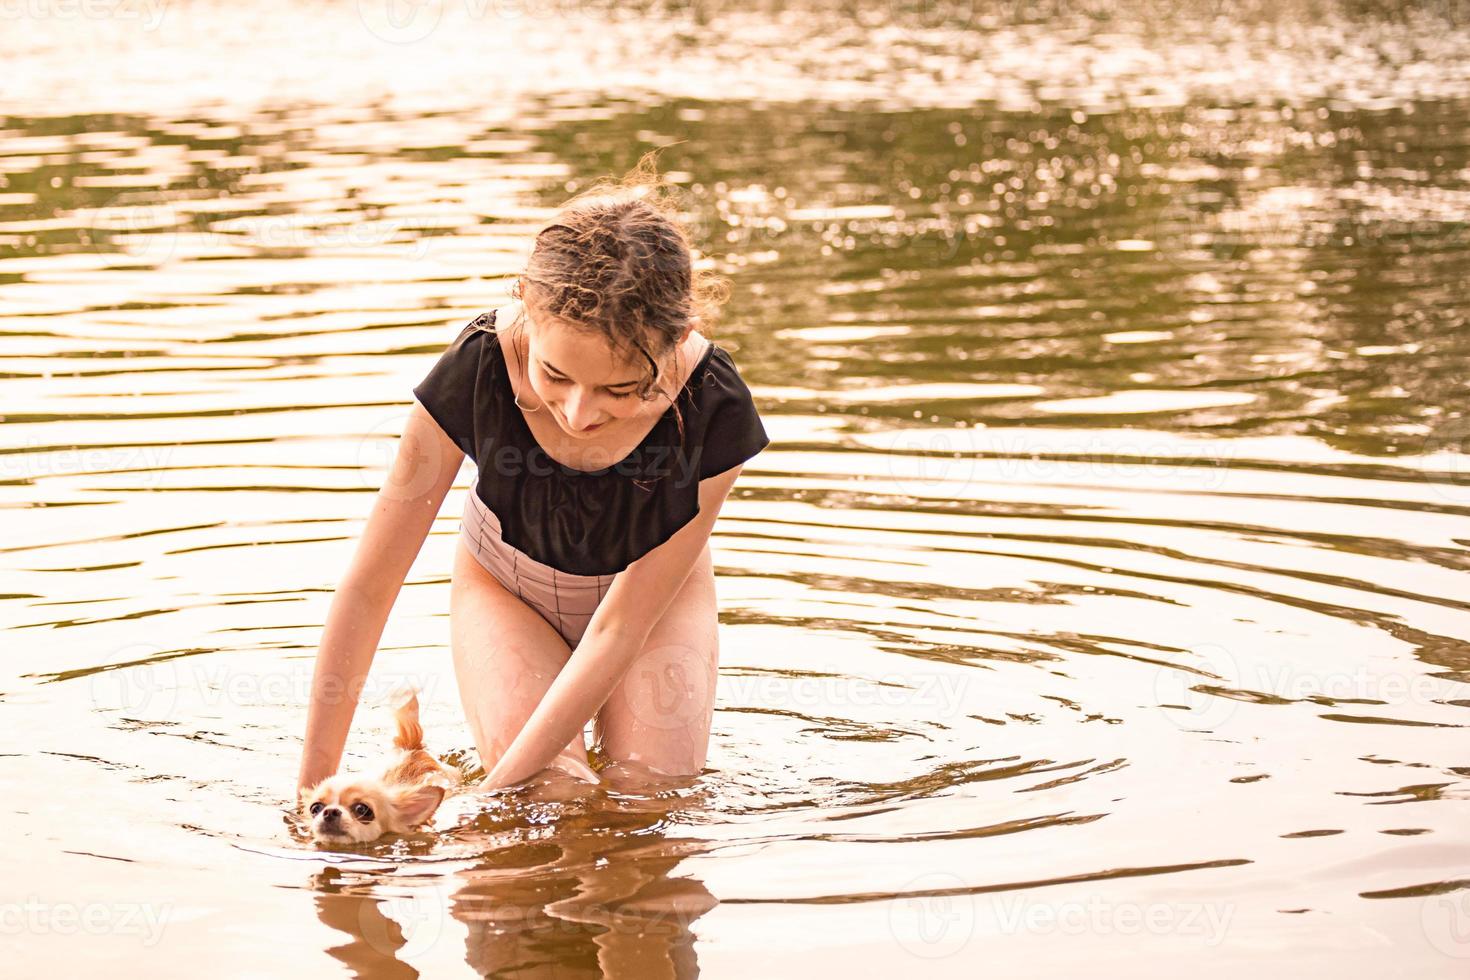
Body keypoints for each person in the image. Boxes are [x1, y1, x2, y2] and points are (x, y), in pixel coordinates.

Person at [296, 153, 770, 798]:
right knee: (548, 791)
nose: (579, 412)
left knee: (650, 799)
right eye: (555, 376)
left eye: (621, 388)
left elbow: (620, 629)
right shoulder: (478, 367)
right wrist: (311, 789)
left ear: (678, 337)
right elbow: (369, 587)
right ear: (525, 303)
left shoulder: (712, 405)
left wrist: (483, 802)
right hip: (506, 592)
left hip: (652, 610)